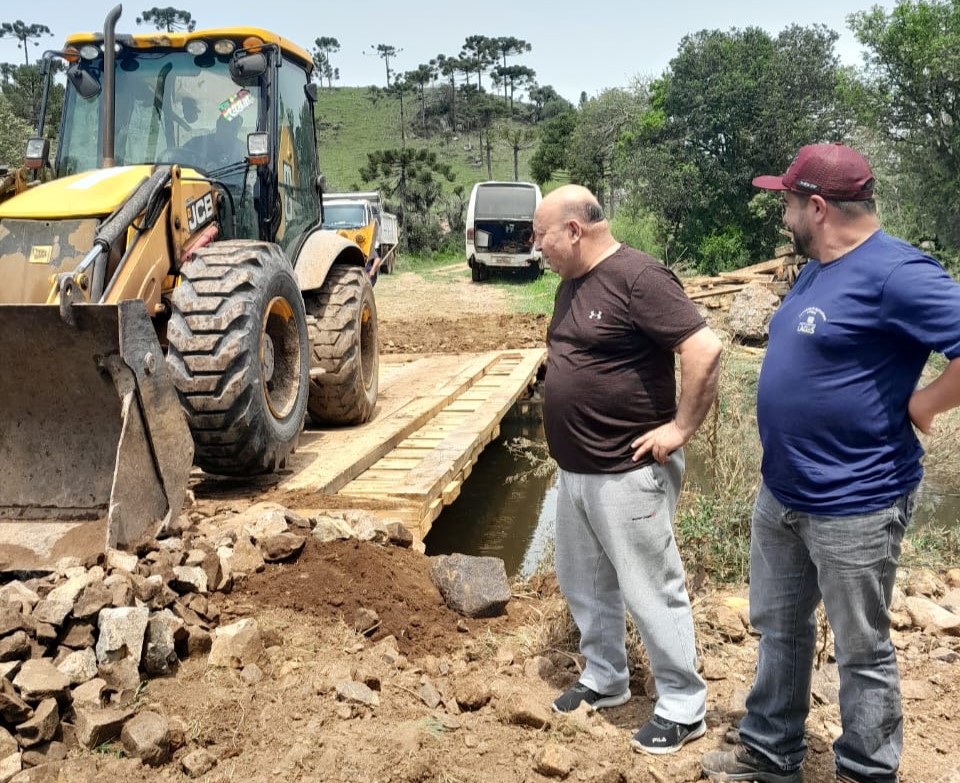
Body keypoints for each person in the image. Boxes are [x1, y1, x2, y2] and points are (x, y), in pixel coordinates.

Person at [701, 143, 960, 783]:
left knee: (861, 648)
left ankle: (866, 770)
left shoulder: (898, 272)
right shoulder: (819, 265)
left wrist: (925, 403)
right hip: (784, 492)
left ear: (817, 206)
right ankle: (770, 752)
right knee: (780, 629)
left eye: (786, 201)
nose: (781, 213)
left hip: (857, 500)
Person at [534, 185, 722, 754]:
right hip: (579, 470)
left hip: (628, 469)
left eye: (541, 234)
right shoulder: (573, 284)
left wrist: (680, 429)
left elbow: (704, 348)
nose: (536, 246)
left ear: (573, 230)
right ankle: (606, 677)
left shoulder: (640, 277)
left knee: (650, 588)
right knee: (585, 582)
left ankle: (684, 705)